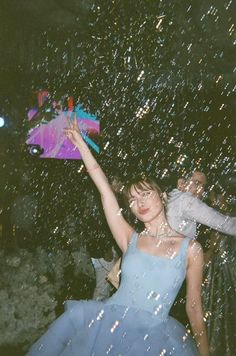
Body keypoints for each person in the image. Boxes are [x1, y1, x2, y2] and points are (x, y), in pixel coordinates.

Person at [27, 117, 209, 356]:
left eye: (145, 194)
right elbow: (103, 188)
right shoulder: (129, 237)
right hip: (106, 327)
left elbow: (194, 308)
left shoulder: (191, 249)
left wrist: (205, 352)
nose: (139, 202)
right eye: (132, 199)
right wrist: (82, 146)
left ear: (162, 196)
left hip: (154, 340)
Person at [202, 187, 236, 356]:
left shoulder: (222, 216)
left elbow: (215, 242)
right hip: (224, 268)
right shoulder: (227, 215)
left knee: (219, 303)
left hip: (223, 268)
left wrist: (208, 256)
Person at [166, 171, 236, 239]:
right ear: (181, 183)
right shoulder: (186, 200)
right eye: (197, 183)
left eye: (203, 186)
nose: (201, 189)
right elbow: (226, 225)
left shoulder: (173, 197)